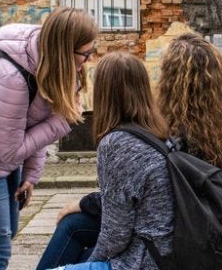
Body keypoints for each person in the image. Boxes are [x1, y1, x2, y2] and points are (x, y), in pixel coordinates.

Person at [37, 33, 222, 269]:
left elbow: (129, 212)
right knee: (74, 224)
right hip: (183, 237)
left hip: (180, 246)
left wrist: (93, 261)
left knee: (76, 232)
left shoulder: (173, 137)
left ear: (172, 81)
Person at [0, 7, 94, 270]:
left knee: (0, 234)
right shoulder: (12, 79)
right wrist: (63, 122)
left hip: (2, 157)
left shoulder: (48, 65)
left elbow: (35, 120)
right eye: (85, 54)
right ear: (64, 50)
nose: (88, 60)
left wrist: (30, 175)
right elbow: (12, 150)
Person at [49, 52, 175, 270]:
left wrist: (87, 264)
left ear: (104, 93)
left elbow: (116, 234)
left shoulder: (118, 143)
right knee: (72, 224)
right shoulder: (157, 129)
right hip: (161, 248)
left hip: (145, 260)